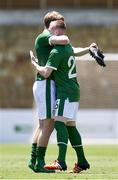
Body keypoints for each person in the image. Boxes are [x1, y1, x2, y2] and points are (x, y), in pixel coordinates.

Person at [30, 20, 98, 173]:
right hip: (74, 90)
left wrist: (35, 64)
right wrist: (89, 49)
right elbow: (74, 48)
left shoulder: (56, 52)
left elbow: (46, 73)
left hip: (65, 92)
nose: (49, 31)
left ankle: (61, 161)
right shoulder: (67, 48)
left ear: (55, 31)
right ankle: (82, 161)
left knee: (59, 124)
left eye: (51, 29)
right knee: (71, 126)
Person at [28, 11, 70, 173]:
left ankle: (33, 160)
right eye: (57, 25)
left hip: (42, 84)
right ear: (50, 25)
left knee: (42, 125)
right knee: (48, 125)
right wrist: (63, 37)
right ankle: (39, 162)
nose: (59, 29)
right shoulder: (45, 36)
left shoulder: (45, 38)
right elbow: (65, 40)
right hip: (45, 84)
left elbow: (69, 48)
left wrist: (88, 49)